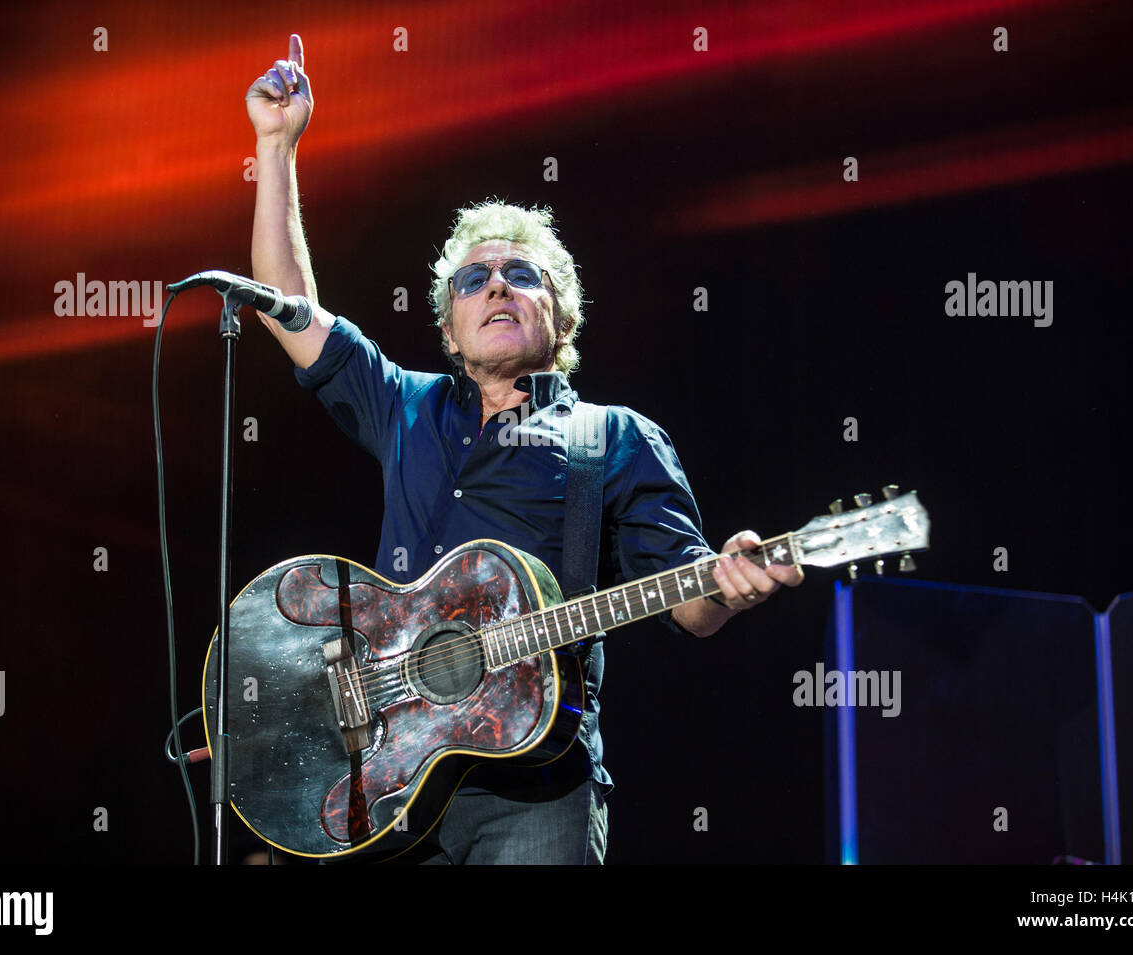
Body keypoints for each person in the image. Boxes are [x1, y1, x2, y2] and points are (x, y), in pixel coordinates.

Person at [245, 34, 803, 864]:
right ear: (448, 325)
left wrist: (731, 583)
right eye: (474, 280)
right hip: (389, 775)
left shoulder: (612, 438)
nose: (497, 285)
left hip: (538, 790)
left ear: (562, 318)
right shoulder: (407, 404)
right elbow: (283, 307)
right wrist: (275, 146)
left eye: (520, 274)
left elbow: (691, 602)